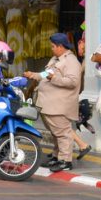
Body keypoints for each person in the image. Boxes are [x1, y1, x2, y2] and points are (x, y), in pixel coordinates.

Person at [25, 33, 82, 172]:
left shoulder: (71, 61)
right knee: (56, 133)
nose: (51, 49)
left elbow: (73, 82)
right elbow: (46, 74)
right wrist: (33, 75)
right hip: (48, 104)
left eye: (53, 46)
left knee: (63, 133)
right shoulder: (56, 59)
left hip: (59, 105)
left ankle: (66, 160)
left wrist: (54, 78)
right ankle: (57, 157)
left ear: (61, 46)